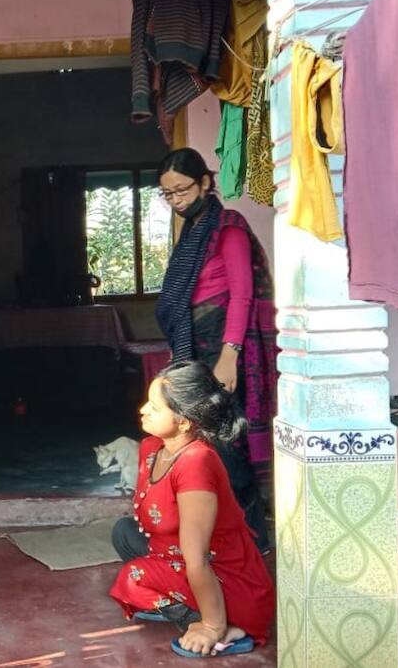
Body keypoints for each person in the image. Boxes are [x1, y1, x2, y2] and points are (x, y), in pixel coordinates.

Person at [153, 147, 277, 552]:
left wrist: (229, 354)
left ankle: (253, 538)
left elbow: (241, 295)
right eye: (167, 194)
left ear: (205, 182)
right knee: (205, 441)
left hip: (222, 349)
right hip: (197, 348)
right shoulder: (193, 232)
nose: (176, 201)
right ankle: (225, 535)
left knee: (226, 441)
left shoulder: (229, 227)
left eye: (182, 190)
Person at [110, 361, 274, 658]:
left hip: (222, 573)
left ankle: (220, 625)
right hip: (176, 555)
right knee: (124, 533)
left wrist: (212, 625)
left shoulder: (196, 463)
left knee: (133, 576)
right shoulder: (151, 448)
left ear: (184, 422)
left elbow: (196, 557)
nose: (143, 410)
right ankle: (181, 599)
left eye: (155, 407)